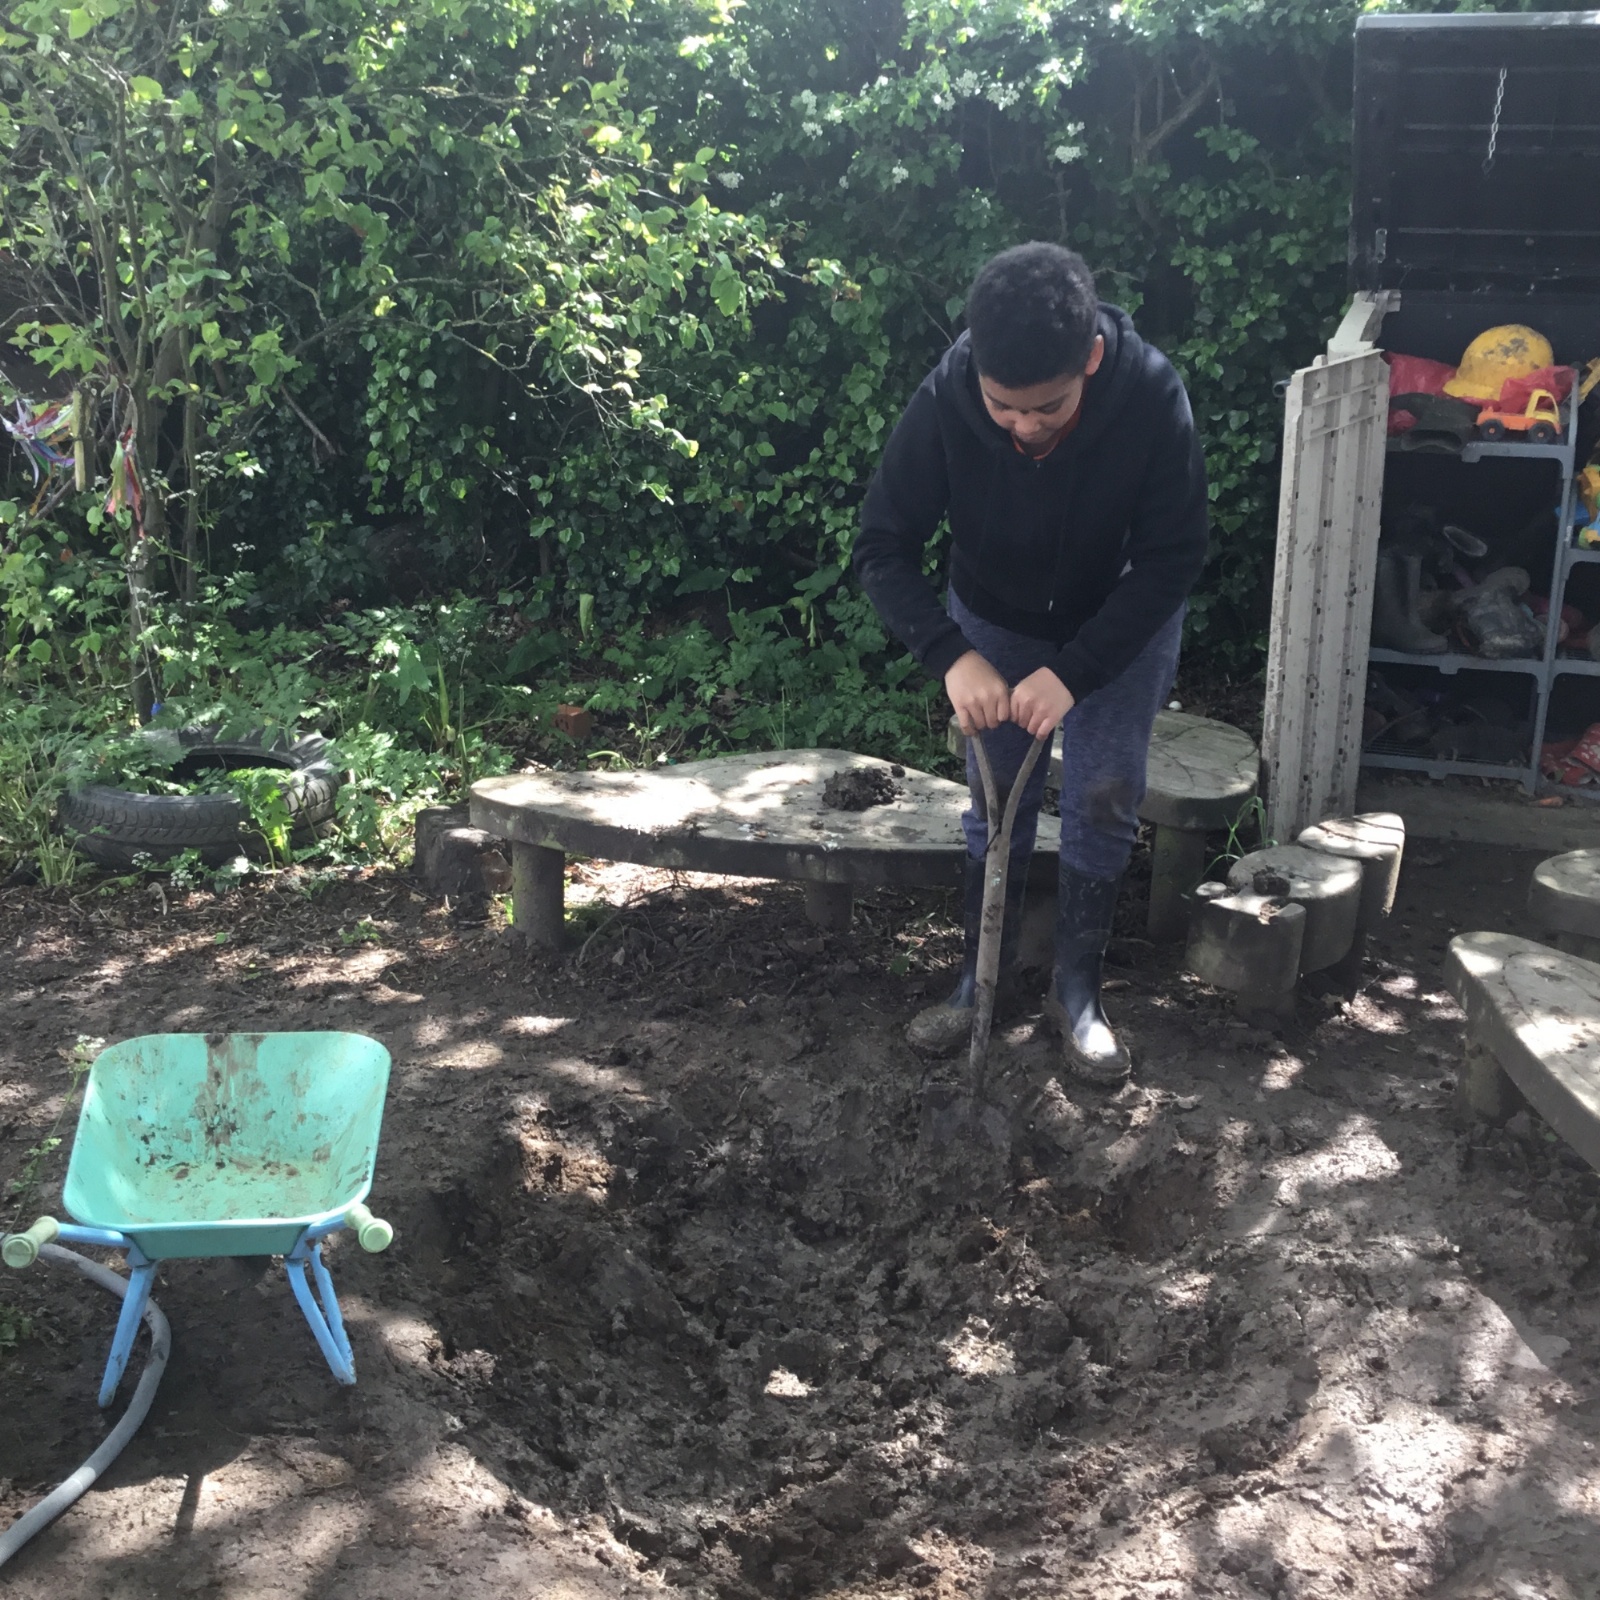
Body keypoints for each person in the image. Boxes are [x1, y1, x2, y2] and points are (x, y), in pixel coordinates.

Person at [852, 242, 1208, 1084]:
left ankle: (1076, 993)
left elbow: (1174, 557)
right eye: (1003, 407)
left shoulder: (1151, 393)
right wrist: (952, 654)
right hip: (993, 622)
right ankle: (980, 981)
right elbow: (881, 545)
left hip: (1119, 622)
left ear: (1090, 359)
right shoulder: (948, 393)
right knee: (995, 802)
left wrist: (1077, 671)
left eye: (1048, 406)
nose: (1024, 426)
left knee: (1103, 794)